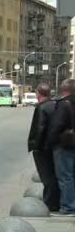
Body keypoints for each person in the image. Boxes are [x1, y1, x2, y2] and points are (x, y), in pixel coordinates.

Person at [27, 83, 60, 211]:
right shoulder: (55, 105)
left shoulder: (41, 107)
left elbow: (40, 128)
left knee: (46, 177)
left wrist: (36, 146)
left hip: (42, 148)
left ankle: (50, 204)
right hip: (52, 146)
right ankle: (55, 201)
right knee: (53, 175)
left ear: (38, 94)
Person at [47, 78, 75, 216]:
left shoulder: (64, 103)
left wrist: (49, 143)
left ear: (64, 89)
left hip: (65, 145)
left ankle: (68, 207)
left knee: (65, 177)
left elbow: (56, 126)